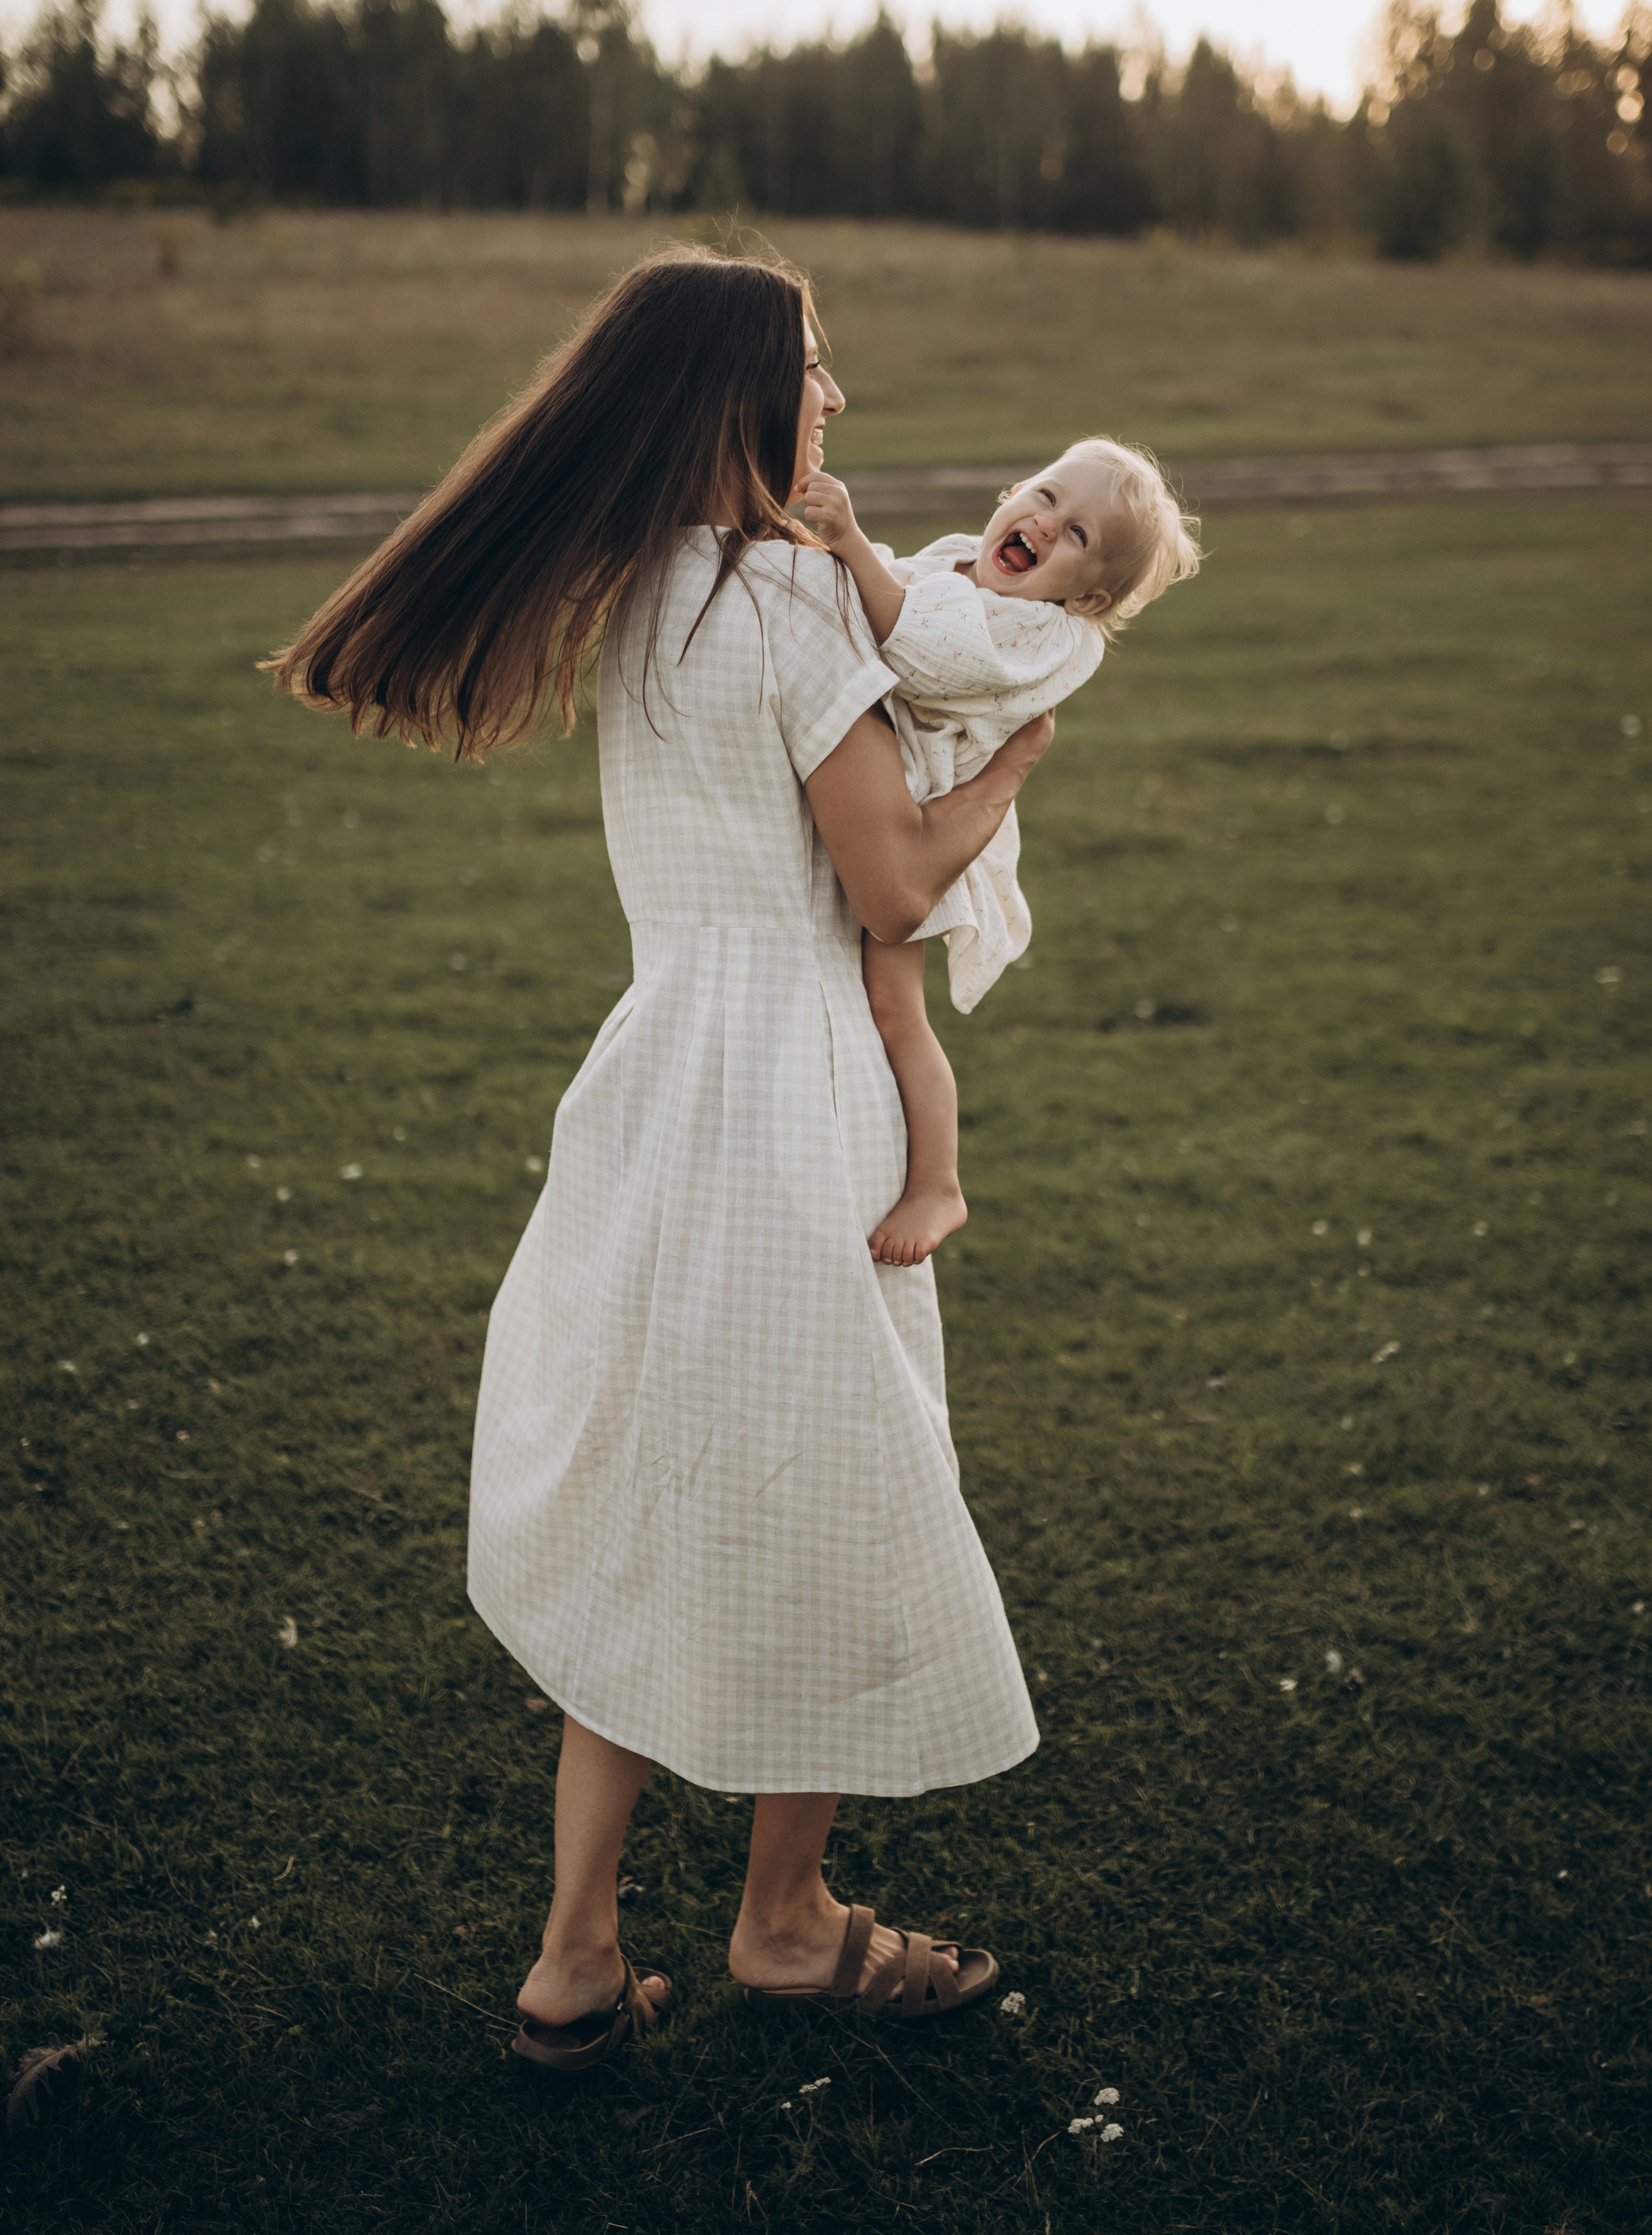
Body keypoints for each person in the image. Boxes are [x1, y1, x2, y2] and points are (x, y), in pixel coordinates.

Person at [266, 246, 1055, 2074]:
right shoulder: (781, 604)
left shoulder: (643, 593)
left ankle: (572, 1962)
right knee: (833, 1491)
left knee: (650, 1496)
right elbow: (891, 887)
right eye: (814, 365)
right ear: (736, 399)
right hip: (797, 1090)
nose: (837, 397)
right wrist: (1013, 762)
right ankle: (786, 1927)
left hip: (656, 1088)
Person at [791, 443, 1198, 1266]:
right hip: (885, 798)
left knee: (894, 1007)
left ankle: (938, 1183)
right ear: (1011, 492)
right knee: (862, 998)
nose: (1044, 522)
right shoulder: (956, 562)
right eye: (1045, 495)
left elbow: (923, 654)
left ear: (1088, 597)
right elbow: (875, 600)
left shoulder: (1050, 635)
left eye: (1077, 532)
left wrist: (850, 542)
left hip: (929, 829)